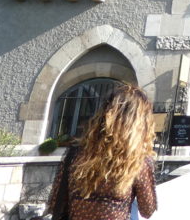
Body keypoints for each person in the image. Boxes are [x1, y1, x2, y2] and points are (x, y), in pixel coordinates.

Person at [45, 84, 157, 220]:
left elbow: (55, 201)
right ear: (141, 123)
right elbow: (147, 209)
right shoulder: (138, 161)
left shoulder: (76, 154)